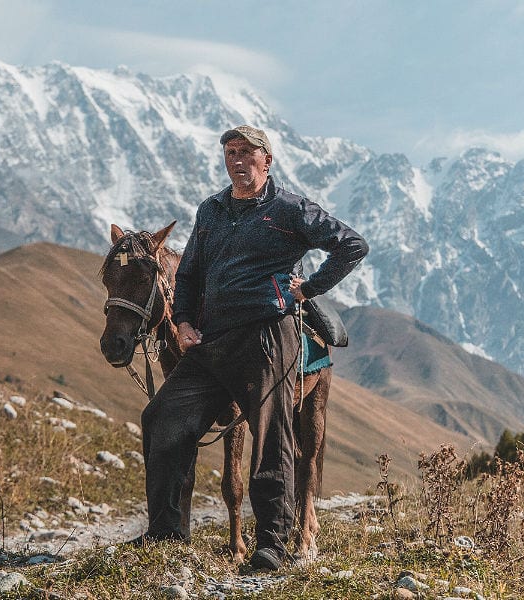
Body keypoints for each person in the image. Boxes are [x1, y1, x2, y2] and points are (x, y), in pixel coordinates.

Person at [134, 125, 368, 570]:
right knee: (161, 417)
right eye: (230, 152)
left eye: (246, 152)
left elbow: (352, 246)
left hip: (266, 336)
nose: (237, 160)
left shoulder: (290, 209)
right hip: (211, 339)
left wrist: (308, 289)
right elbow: (189, 274)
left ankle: (272, 544)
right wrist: (182, 320)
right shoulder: (211, 210)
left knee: (271, 436)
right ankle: (166, 532)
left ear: (267, 160)